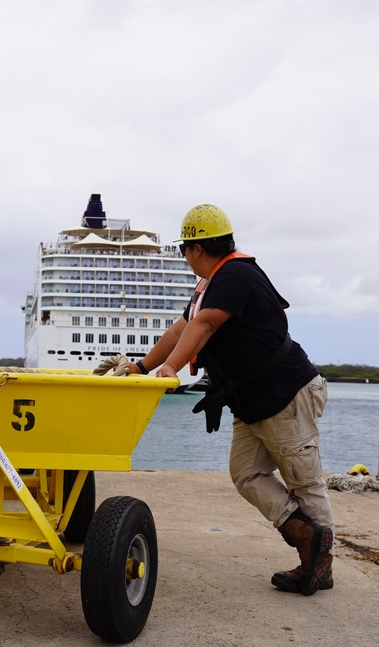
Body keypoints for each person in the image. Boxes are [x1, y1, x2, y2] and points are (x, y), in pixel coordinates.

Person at [130, 204, 334, 596]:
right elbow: (184, 327)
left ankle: (319, 567)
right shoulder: (212, 283)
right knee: (246, 473)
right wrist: (142, 366)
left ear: (196, 249)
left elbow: (204, 325)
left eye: (183, 249)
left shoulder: (235, 275)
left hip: (286, 394)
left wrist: (171, 369)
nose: (185, 257)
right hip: (254, 400)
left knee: (305, 482)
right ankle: (305, 533)